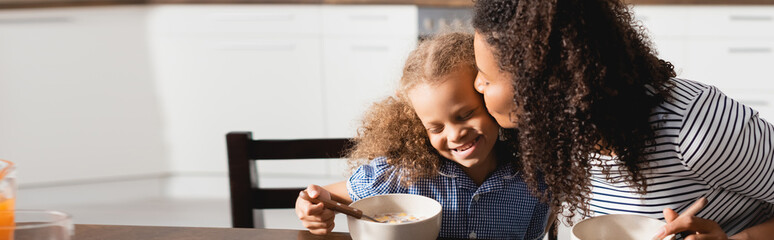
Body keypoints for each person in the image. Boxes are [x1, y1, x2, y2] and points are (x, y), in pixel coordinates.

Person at [470, 0, 774, 239]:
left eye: (485, 76)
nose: (477, 85)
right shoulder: (561, 130)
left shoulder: (695, 130)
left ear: (545, 84)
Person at [295, 32, 550, 239]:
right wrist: (312, 205)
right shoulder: (402, 175)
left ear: (491, 99)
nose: (455, 134)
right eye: (436, 128)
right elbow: (321, 195)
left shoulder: (535, 181)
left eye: (466, 114)